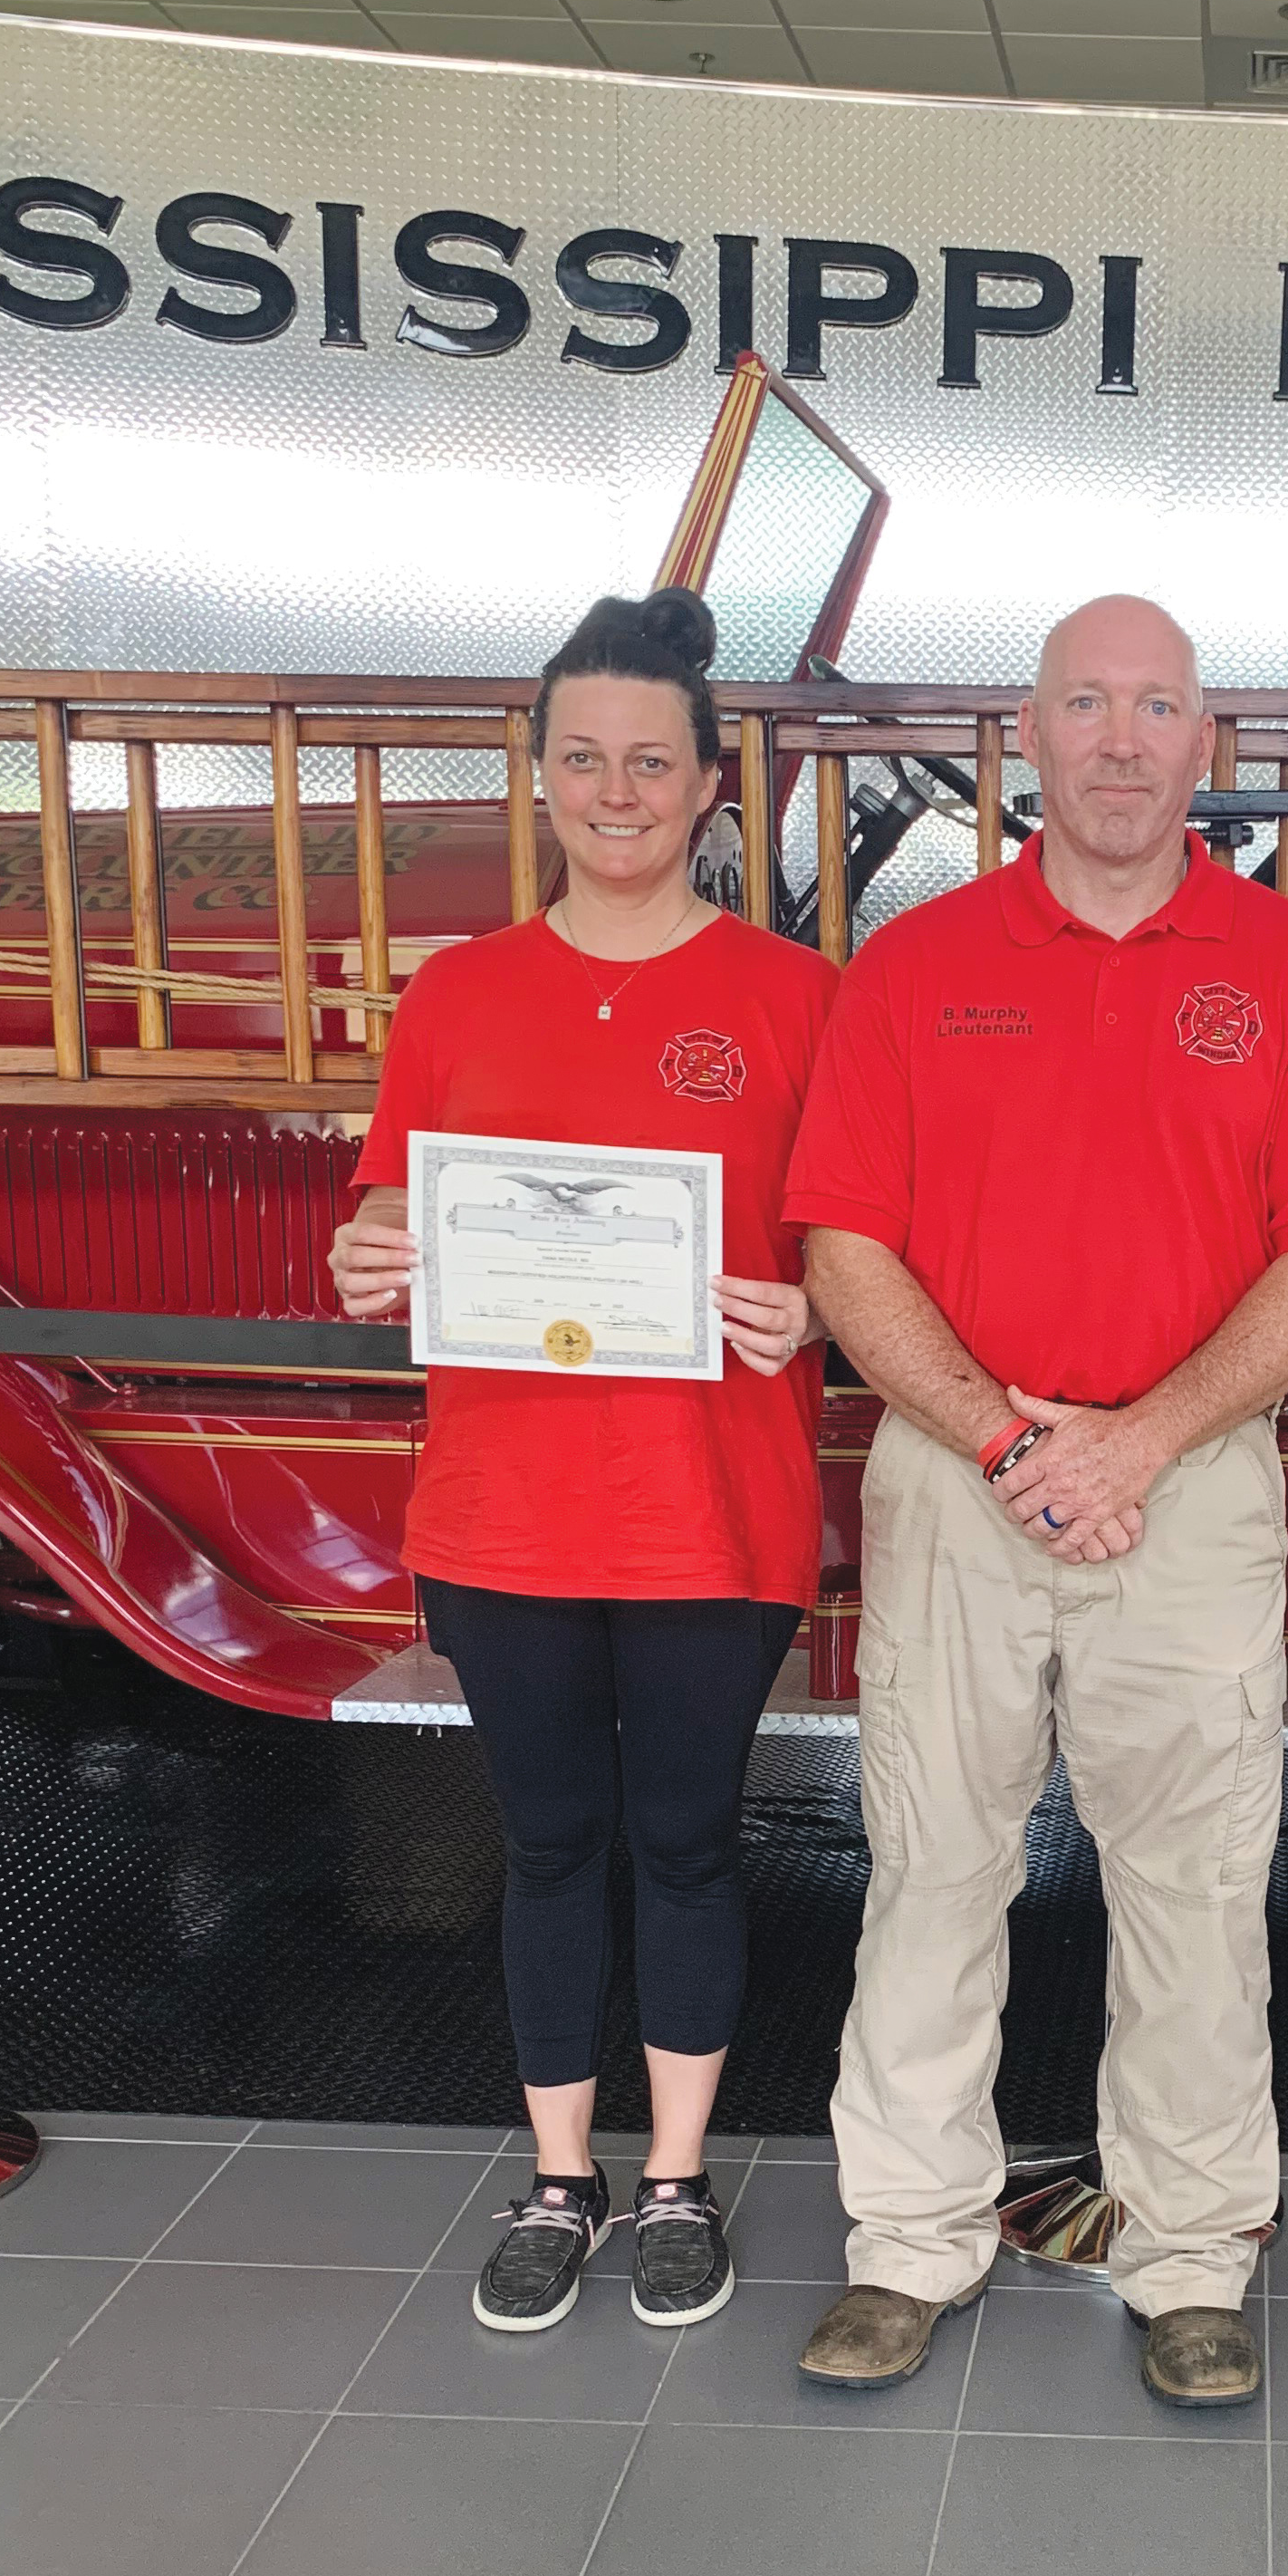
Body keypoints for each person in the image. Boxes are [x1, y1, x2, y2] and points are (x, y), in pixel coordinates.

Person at [783, 595, 1288, 2407]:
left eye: (1156, 708)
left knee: (1198, 1888)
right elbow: (844, 1247)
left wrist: (1136, 1443)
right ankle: (908, 2242)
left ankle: (1190, 2255)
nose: (1122, 741)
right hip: (955, 1473)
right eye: (1086, 705)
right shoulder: (914, 965)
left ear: (1205, 742)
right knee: (930, 1868)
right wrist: (1005, 1443)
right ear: (1029, 737)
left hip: (1187, 1486)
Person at [331, 587, 837, 2336]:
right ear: (540, 775)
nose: (617, 793)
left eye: (652, 762)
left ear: (709, 785)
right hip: (508, 1509)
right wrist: (369, 1258)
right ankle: (561, 2176)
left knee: (687, 1844)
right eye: (583, 759)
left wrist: (809, 1311)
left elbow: (854, 1245)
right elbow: (394, 1212)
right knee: (547, 1846)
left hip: (712, 1505)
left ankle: (678, 2176)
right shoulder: (460, 993)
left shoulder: (795, 997)